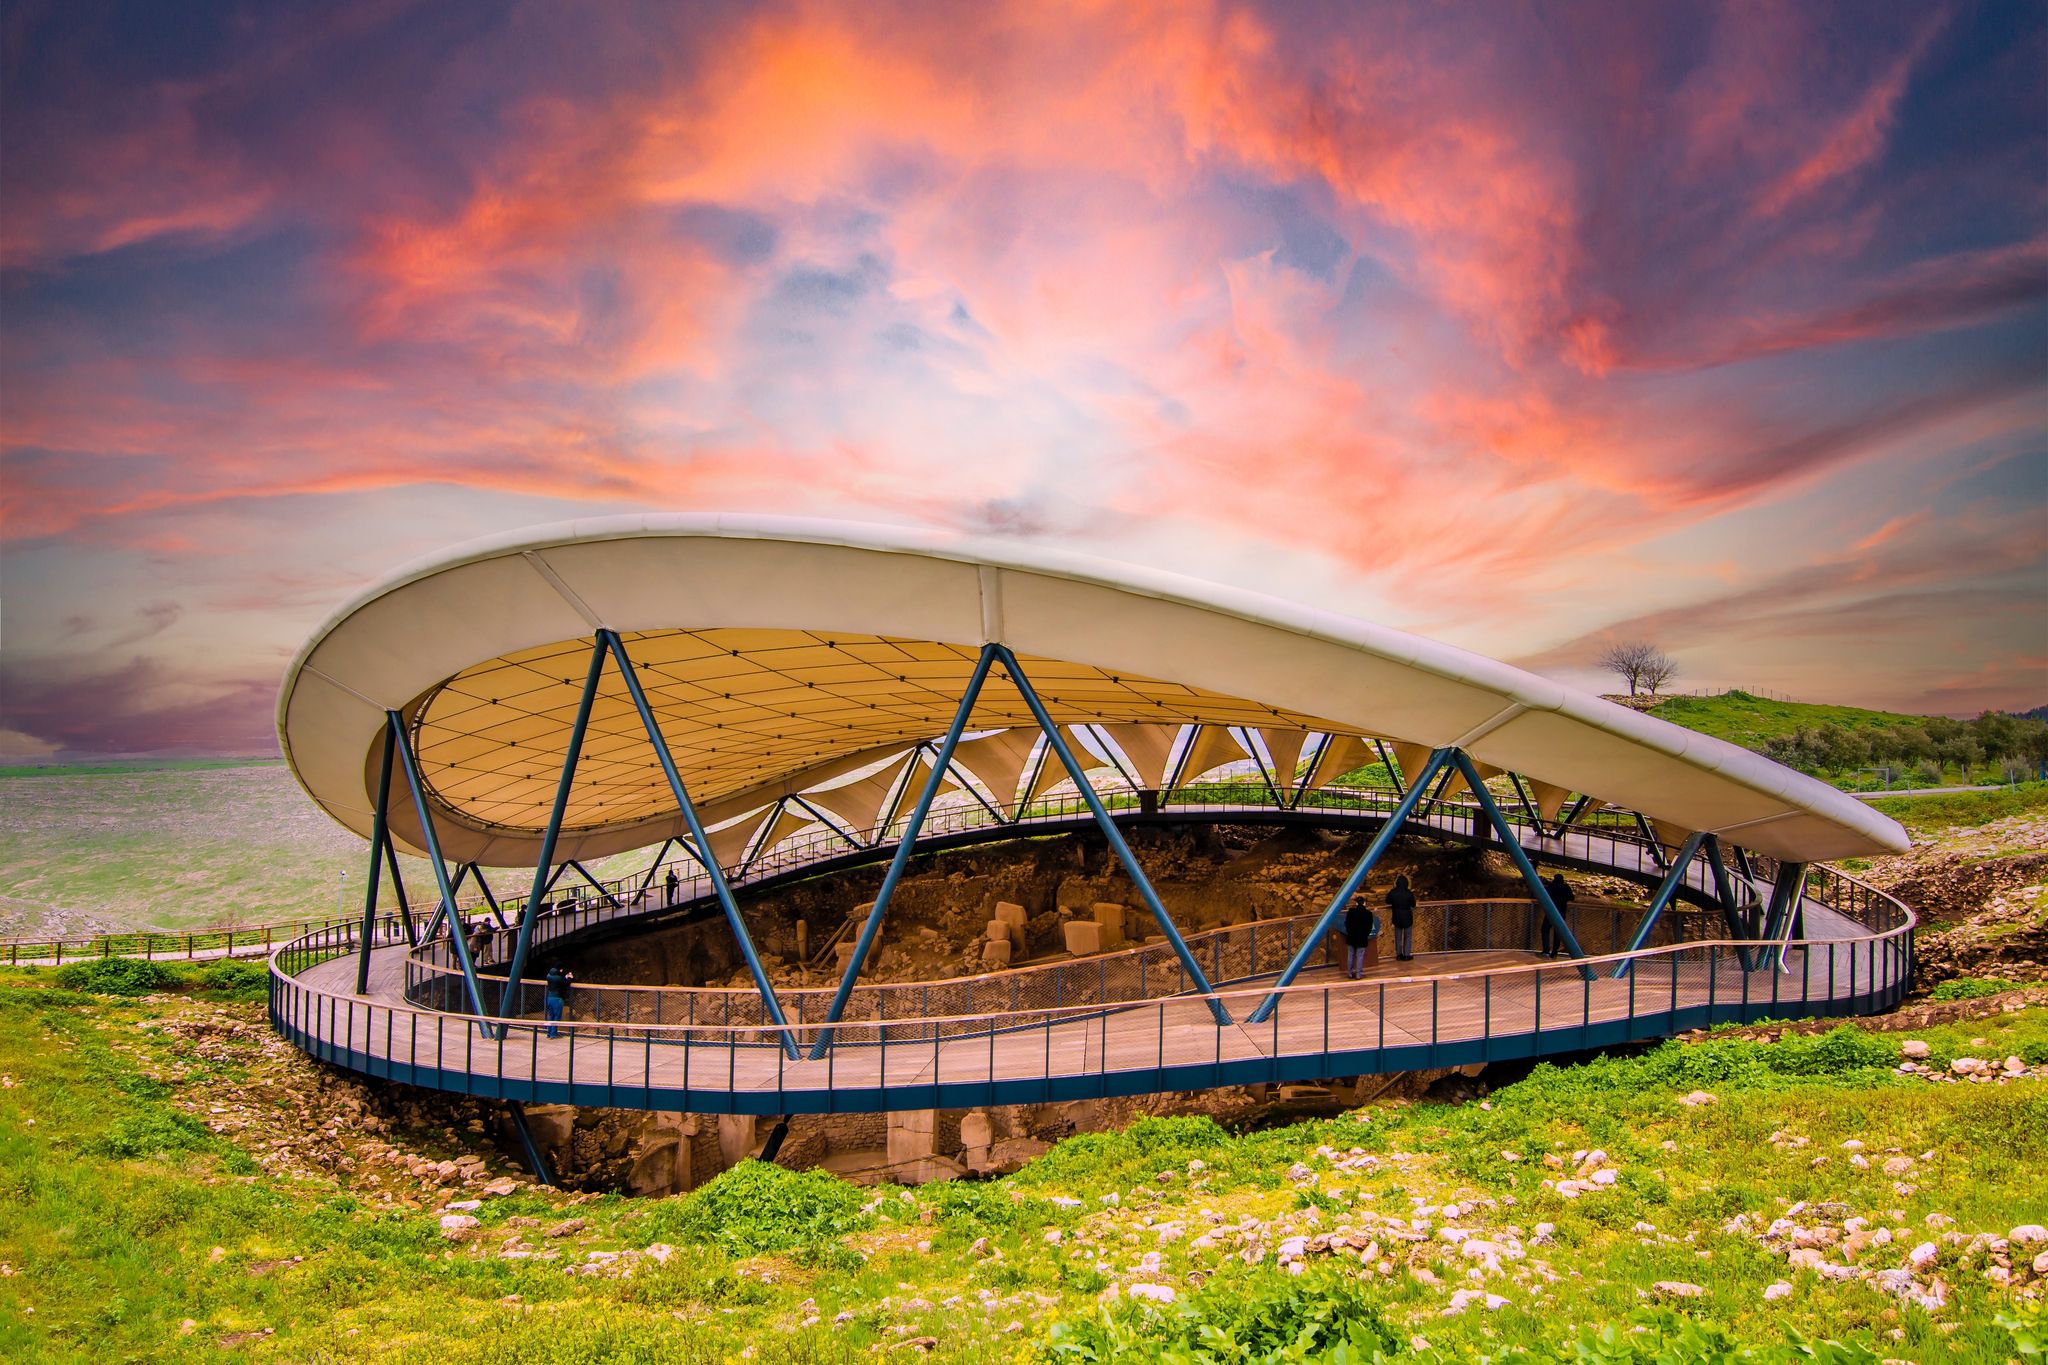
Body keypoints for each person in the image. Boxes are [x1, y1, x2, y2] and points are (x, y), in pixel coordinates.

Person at [1342, 898, 1379, 979]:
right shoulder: (1368, 914)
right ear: (1364, 903)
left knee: (1350, 955)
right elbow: (1369, 927)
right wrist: (1365, 934)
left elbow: (1347, 923)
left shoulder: (1351, 912)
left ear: (1356, 903)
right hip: (1362, 937)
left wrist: (1349, 932)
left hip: (1351, 936)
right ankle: (1359, 974)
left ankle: (1350, 973)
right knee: (1360, 956)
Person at [1543, 873, 1575, 957]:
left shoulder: (1551, 887)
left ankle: (1546, 950)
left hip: (1551, 912)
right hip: (1561, 912)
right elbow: (1571, 897)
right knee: (1557, 932)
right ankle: (1554, 952)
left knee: (1545, 929)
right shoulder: (1565, 887)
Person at [1387, 875, 1417, 961]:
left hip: (1396, 916)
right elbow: (1413, 904)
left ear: (1396, 883)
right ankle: (1407, 955)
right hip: (1407, 917)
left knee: (1398, 937)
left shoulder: (1393, 892)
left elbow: (1387, 901)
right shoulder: (1409, 893)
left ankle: (1399, 955)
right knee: (1407, 936)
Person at [544, 963, 572, 1038]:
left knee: (551, 1016)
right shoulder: (559, 978)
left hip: (549, 998)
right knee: (557, 1016)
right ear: (560, 969)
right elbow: (566, 983)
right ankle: (553, 1034)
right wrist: (569, 977)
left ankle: (549, 1033)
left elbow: (560, 980)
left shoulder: (548, 976)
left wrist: (564, 977)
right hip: (557, 999)